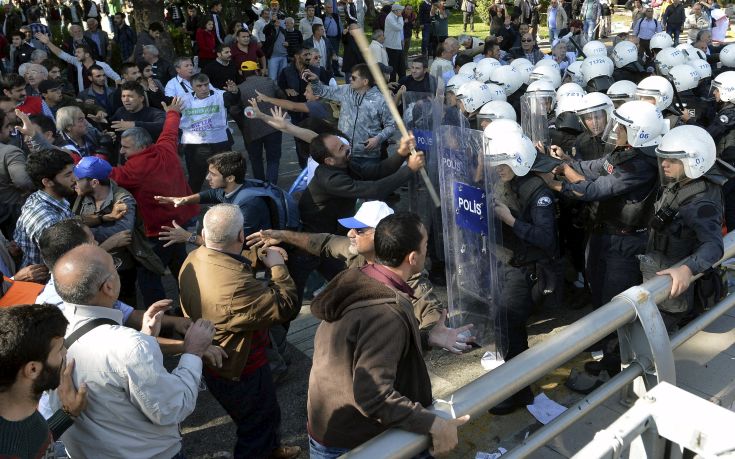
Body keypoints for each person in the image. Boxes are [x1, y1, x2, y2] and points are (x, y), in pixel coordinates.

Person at [306, 212, 470, 457]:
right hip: (358, 443)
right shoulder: (385, 312)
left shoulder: (358, 279)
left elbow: (362, 350)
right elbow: (373, 395)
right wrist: (433, 423)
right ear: (413, 258)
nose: (427, 250)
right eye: (426, 245)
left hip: (330, 430)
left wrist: (426, 338)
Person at [46, 243, 215, 458]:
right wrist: (193, 351)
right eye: (114, 265)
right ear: (108, 287)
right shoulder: (128, 345)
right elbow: (172, 407)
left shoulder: (51, 332)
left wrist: (146, 337)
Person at [178, 204, 300, 459]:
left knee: (265, 416)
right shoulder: (236, 288)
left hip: (218, 357)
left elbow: (232, 261)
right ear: (240, 236)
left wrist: (260, 252)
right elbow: (286, 306)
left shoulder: (195, 257)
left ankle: (272, 449)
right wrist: (277, 266)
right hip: (241, 367)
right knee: (256, 426)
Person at [247, 200, 444, 330]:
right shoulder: (356, 252)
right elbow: (323, 242)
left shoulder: (409, 275)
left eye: (358, 230)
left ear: (381, 234)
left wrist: (426, 337)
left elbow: (431, 313)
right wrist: (280, 235)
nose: (350, 234)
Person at [488, 134, 559, 413]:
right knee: (505, 327)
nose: (498, 168)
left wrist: (510, 220)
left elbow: (546, 239)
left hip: (526, 270)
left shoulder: (538, 193)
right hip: (506, 263)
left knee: (511, 329)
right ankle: (512, 382)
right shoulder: (506, 182)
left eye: (502, 162)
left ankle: (520, 392)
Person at [109, 97, 199, 305]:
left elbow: (104, 173)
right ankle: (194, 305)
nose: (121, 151)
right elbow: (169, 130)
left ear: (141, 147)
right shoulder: (166, 149)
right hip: (182, 221)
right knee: (181, 266)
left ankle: (161, 318)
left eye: (126, 147)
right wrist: (173, 112)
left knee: (149, 275)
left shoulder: (133, 169)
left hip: (158, 231)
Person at [642, 125, 724, 330]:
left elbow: (713, 245)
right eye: (664, 159)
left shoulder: (700, 203)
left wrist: (688, 269)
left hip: (673, 288)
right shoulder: (682, 182)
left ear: (694, 162)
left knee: (657, 331)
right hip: (660, 267)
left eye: (673, 160)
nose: (664, 165)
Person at [0, 304, 88, 458]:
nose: (65, 352)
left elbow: (33, 443)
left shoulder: (19, 409)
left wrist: (68, 413)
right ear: (33, 369)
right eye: (60, 348)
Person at [155, 151, 271, 243]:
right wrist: (184, 200)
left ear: (230, 178)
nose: (207, 178)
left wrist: (188, 237)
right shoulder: (233, 187)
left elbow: (231, 244)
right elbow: (212, 194)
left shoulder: (248, 205)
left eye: (213, 174)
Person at [304, 64, 396, 165]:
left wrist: (377, 139)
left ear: (365, 82)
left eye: (353, 78)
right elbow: (321, 91)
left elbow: (391, 126)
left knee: (368, 180)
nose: (349, 79)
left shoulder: (381, 100)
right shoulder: (346, 90)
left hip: (368, 155)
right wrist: (315, 81)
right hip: (344, 152)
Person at [14, 149, 76, 268]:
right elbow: (68, 262)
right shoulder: (46, 221)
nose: (75, 178)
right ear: (47, 182)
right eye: (68, 175)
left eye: (73, 172)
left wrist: (101, 218)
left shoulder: (51, 196)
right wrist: (112, 243)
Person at [36, 34, 121, 93]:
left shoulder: (102, 65)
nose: (75, 54)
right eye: (75, 52)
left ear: (87, 54)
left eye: (78, 52)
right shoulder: (77, 63)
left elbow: (116, 78)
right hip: (85, 98)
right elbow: (61, 54)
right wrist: (48, 43)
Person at [0, 109, 33, 237]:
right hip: (14, 215)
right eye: (7, 126)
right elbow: (23, 181)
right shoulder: (10, 152)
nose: (10, 129)